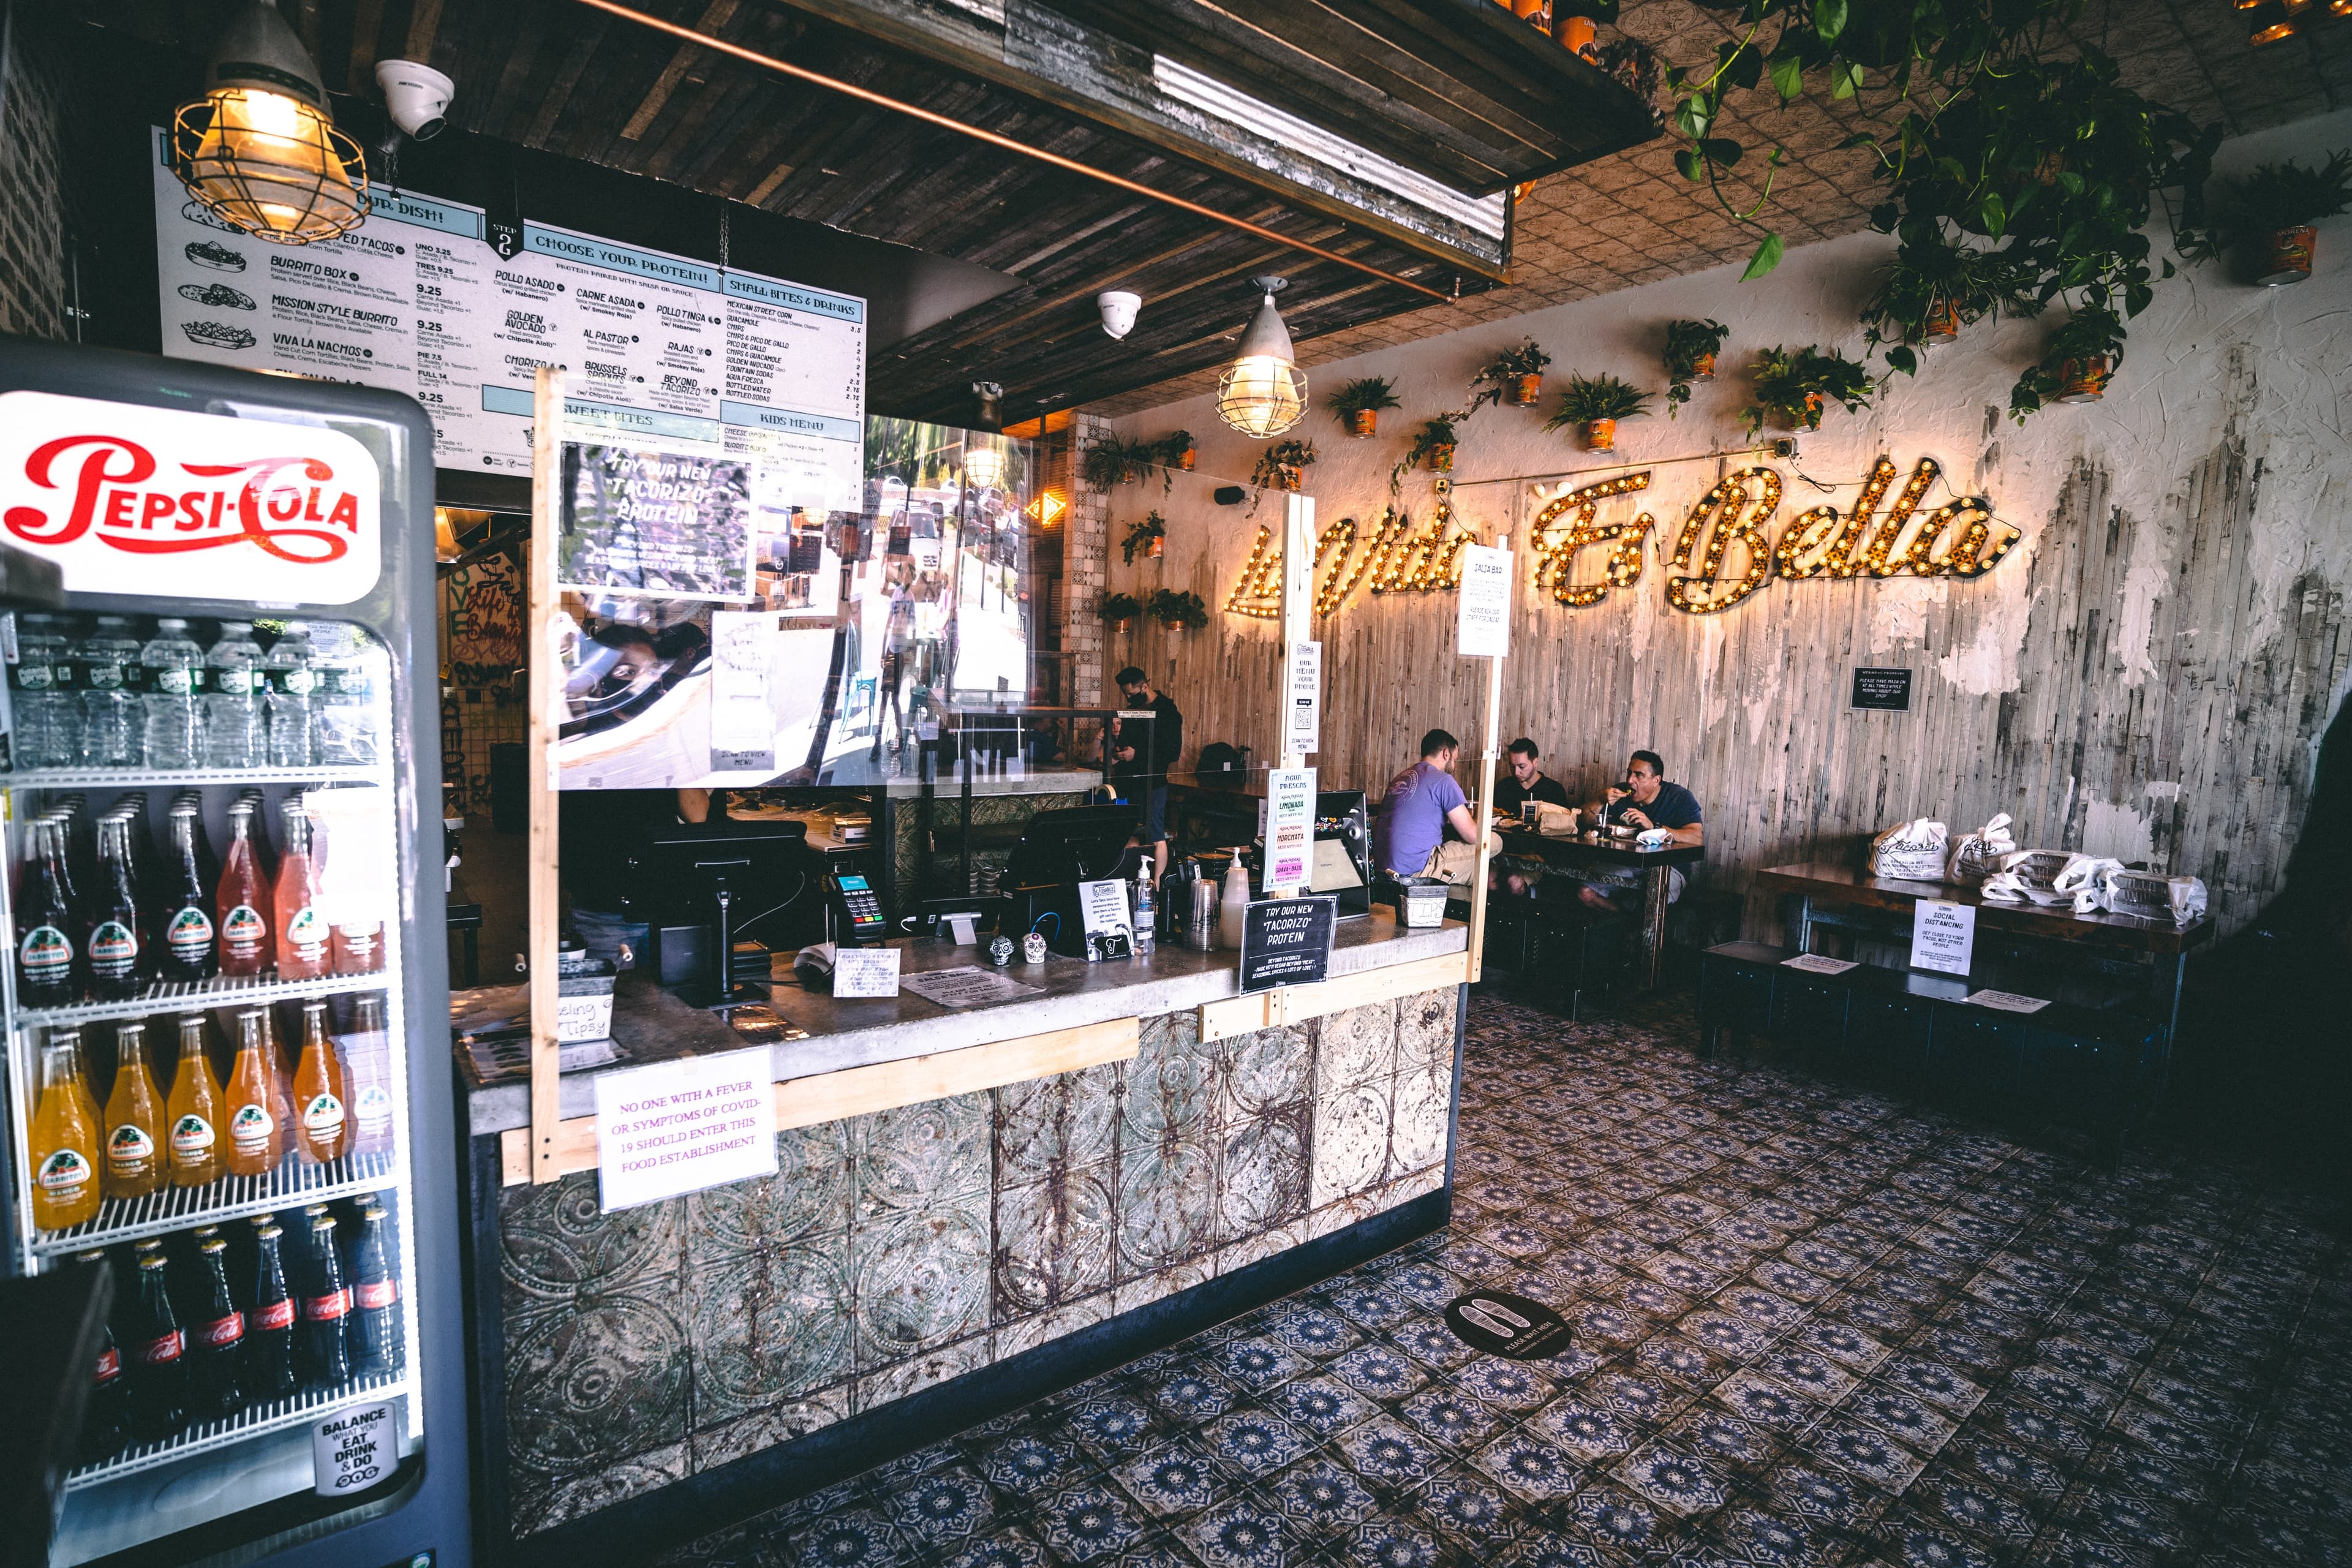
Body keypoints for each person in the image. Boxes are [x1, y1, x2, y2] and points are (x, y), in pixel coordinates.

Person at [1573, 749, 1703, 910]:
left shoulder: (1679, 797)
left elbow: (1696, 837)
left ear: (1656, 780)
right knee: (1585, 892)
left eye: (1638, 775)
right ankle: (1629, 921)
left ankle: (1635, 927)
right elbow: (1581, 822)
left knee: (1652, 900)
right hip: (1625, 863)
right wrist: (1599, 800)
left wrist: (1654, 828)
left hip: (1669, 867)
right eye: (1629, 773)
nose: (1630, 780)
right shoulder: (1620, 793)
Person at [1372, 728, 1490, 886]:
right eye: (1455, 759)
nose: (1454, 765)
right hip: (1414, 871)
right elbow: (1474, 836)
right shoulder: (1444, 780)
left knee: (1483, 873)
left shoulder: (1400, 777)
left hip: (1382, 869)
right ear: (1446, 754)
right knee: (1494, 842)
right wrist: (1479, 814)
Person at [1111, 666, 1183, 878]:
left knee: (1155, 834)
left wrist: (1137, 754)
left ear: (1144, 686)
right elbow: (1125, 740)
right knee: (1130, 833)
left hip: (1153, 782)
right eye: (1125, 694)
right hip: (1129, 781)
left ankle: (1158, 887)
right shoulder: (1133, 709)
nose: (1128, 697)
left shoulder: (1167, 711)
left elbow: (1171, 752)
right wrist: (1120, 751)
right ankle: (1132, 882)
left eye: (1131, 693)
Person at [1493, 738, 1572, 820]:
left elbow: (1564, 824)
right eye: (1512, 766)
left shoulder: (1554, 790)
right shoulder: (1503, 787)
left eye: (1522, 767)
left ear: (1535, 763)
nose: (1516, 772)